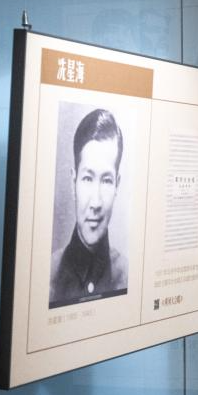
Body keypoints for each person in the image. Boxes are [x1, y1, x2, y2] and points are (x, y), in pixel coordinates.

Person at [49, 108, 128, 308]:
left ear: (117, 185)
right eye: (87, 178)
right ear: (73, 182)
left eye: (107, 180)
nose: (96, 202)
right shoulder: (47, 274)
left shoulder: (128, 275)